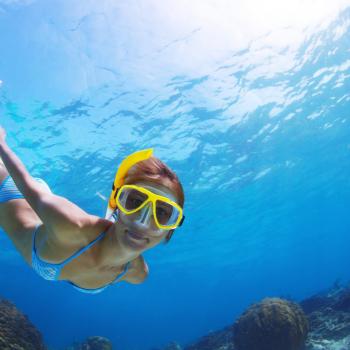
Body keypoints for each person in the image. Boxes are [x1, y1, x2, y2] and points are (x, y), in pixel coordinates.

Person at [0, 126, 185, 294]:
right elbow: (24, 181)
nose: (142, 222)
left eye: (162, 213)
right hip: (9, 193)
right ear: (118, 204)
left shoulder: (136, 273)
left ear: (170, 229)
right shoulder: (71, 225)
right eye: (135, 201)